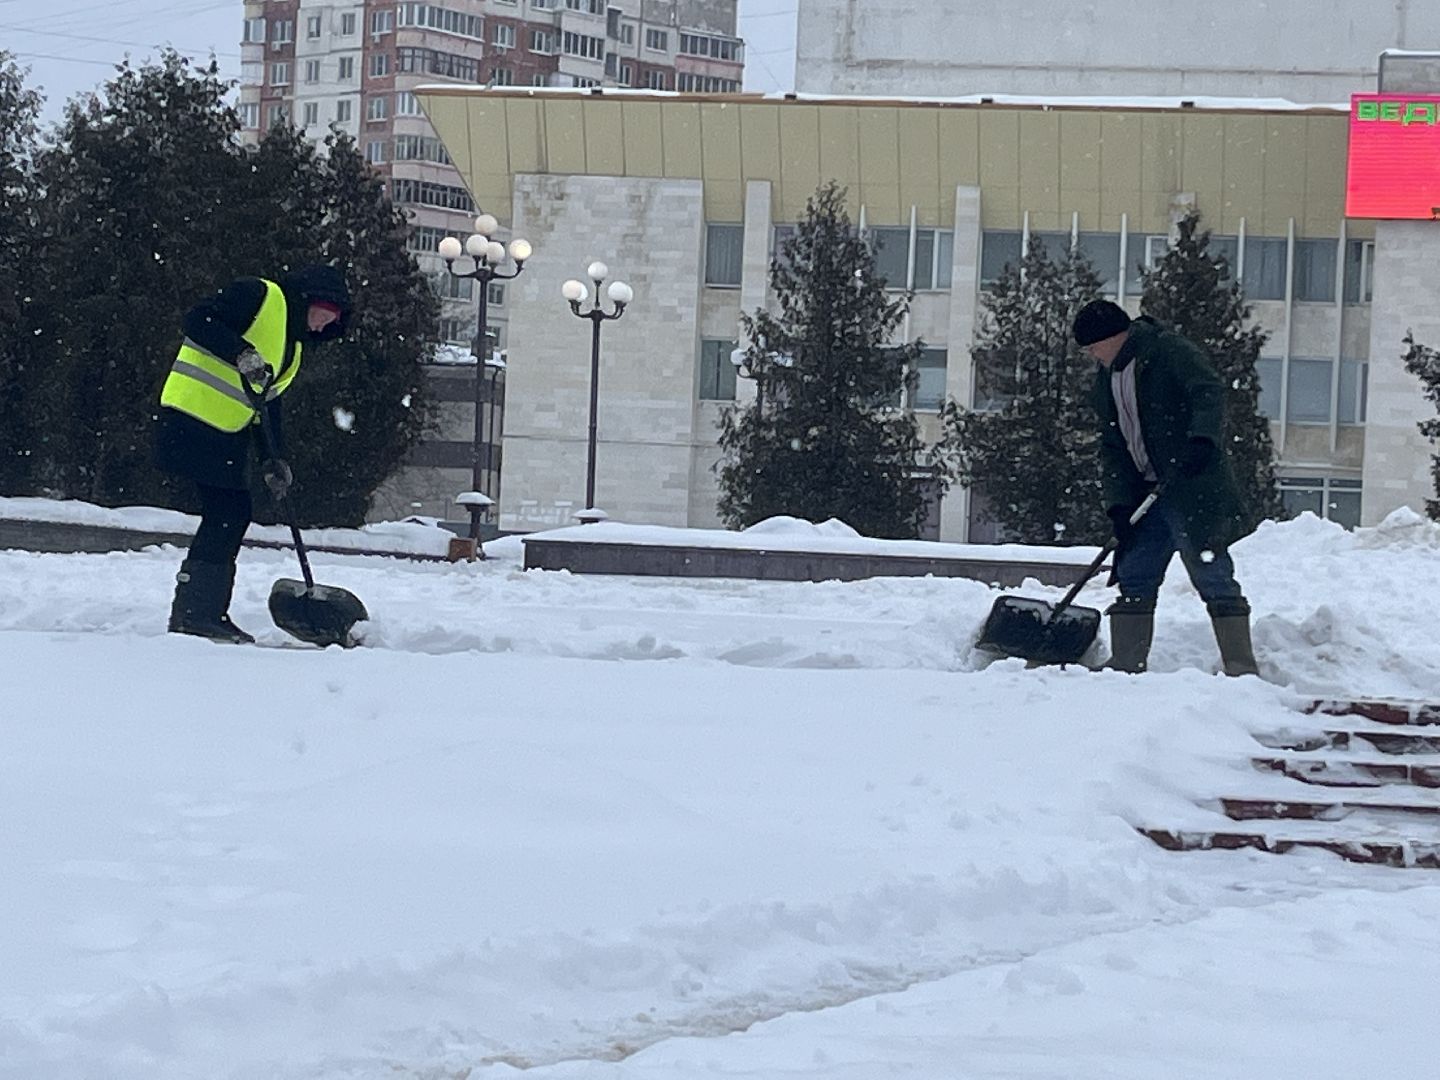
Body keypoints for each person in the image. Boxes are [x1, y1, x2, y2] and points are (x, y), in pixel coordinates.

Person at [154, 265, 351, 643]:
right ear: (314, 301)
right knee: (228, 512)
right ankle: (196, 614)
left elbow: (267, 406)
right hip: (190, 416)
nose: (324, 328)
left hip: (223, 430)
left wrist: (273, 460)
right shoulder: (259, 295)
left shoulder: (291, 349)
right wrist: (240, 351)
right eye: (326, 318)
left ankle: (199, 612)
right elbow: (198, 320)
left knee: (231, 512)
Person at [1071, 298, 1259, 676]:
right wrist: (1119, 505)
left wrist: (1202, 441)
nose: (1092, 355)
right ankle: (1127, 662)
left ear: (1115, 336)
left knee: (1211, 571)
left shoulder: (1166, 351)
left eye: (1093, 346)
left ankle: (1240, 665)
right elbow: (1112, 446)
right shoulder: (1107, 380)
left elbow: (1207, 391)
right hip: (1146, 494)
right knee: (1135, 573)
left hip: (1190, 488)